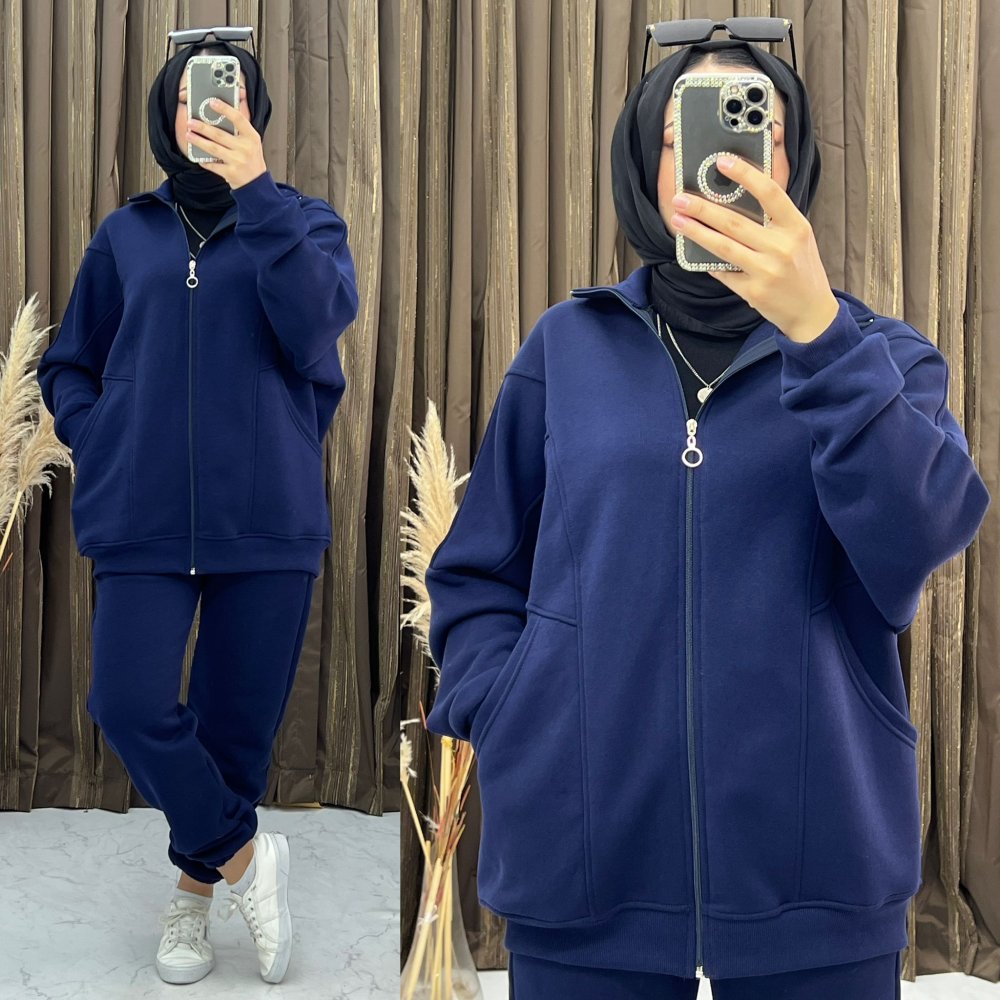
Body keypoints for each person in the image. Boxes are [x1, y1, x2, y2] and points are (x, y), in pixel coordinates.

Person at [422, 36, 991, 1000]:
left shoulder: (882, 357)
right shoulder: (566, 347)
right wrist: (512, 710)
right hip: (580, 868)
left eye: (756, 130)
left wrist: (820, 337)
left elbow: (924, 530)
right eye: (689, 131)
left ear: (791, 162)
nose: (725, 161)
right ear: (647, 158)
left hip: (819, 882)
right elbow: (478, 571)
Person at [36, 35, 358, 986]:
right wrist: (103, 437)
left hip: (267, 514)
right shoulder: (126, 233)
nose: (205, 112)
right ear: (163, 114)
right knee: (127, 701)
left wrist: (258, 196)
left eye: (225, 96)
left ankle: (191, 899)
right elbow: (70, 363)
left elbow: (316, 326)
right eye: (188, 96)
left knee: (234, 730)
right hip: (139, 513)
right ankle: (248, 860)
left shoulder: (305, 223)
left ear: (254, 113)